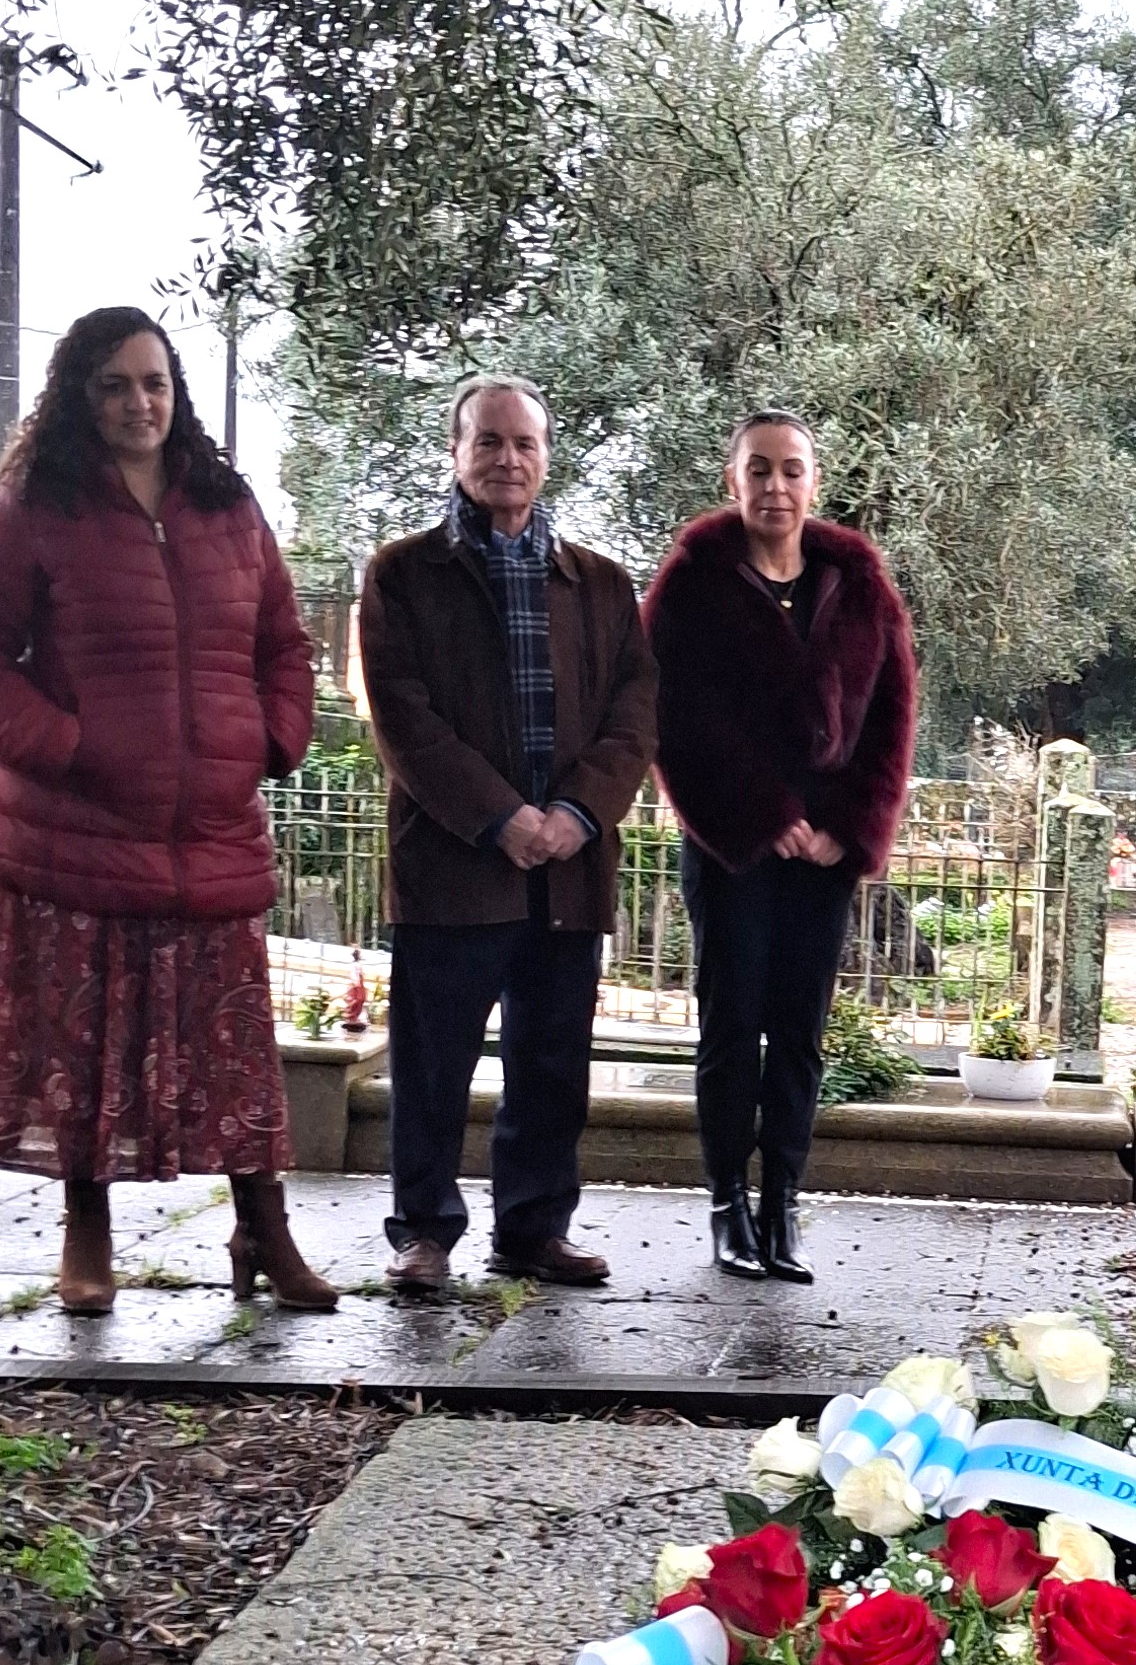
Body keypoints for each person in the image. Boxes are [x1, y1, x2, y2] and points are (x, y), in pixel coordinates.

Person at [0, 305, 335, 1318]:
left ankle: (263, 1228)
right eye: (114, 385)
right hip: (78, 834)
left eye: (153, 382)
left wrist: (272, 738)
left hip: (209, 829)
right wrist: (71, 748)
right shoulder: (40, 505)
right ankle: (89, 1232)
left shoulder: (227, 505)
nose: (137, 402)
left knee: (236, 1049)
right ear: (82, 395)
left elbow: (284, 645)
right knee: (85, 1045)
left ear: (177, 391)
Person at [355, 377, 661, 1296]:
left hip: (566, 871)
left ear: (547, 456)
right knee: (434, 1064)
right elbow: (402, 717)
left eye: (523, 444)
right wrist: (501, 816)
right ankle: (424, 1234)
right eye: (488, 443)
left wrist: (572, 815)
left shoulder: (601, 583)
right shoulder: (404, 575)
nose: (506, 460)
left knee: (552, 1065)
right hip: (454, 864)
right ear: (456, 454)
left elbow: (634, 712)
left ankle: (533, 1230)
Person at [645, 411, 917, 1281]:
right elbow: (671, 722)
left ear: (814, 484)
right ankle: (728, 1203)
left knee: (799, 1032)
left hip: (827, 852)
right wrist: (763, 818)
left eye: (791, 470)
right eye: (758, 470)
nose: (775, 487)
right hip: (735, 846)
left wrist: (851, 827)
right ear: (733, 480)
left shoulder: (860, 584)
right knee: (732, 1026)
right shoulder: (691, 585)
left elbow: (891, 718)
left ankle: (782, 1206)